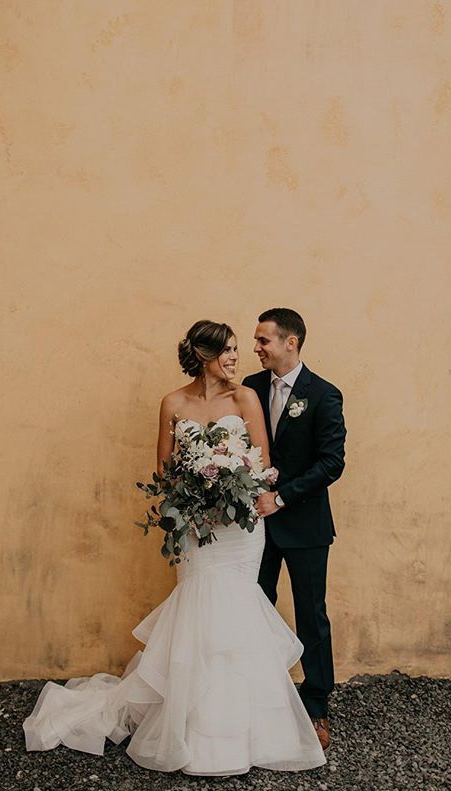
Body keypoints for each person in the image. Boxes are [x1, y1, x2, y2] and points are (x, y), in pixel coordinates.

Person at [23, 319, 326, 775]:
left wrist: (232, 490)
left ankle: (249, 729)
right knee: (197, 611)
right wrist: (193, 498)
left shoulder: (245, 398)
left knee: (237, 612)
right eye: (227, 350)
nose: (234, 358)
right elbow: (163, 473)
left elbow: (264, 466)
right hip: (194, 531)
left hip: (239, 531)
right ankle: (190, 723)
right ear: (204, 355)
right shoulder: (172, 403)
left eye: (239, 350)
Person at [243, 308, 346, 752]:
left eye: (264, 340)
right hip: (253, 528)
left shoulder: (323, 395)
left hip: (304, 524)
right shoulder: (249, 388)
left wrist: (281, 496)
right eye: (256, 340)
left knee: (312, 616)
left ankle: (316, 704)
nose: (256, 348)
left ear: (291, 342)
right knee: (252, 612)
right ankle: (258, 698)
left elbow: (332, 462)